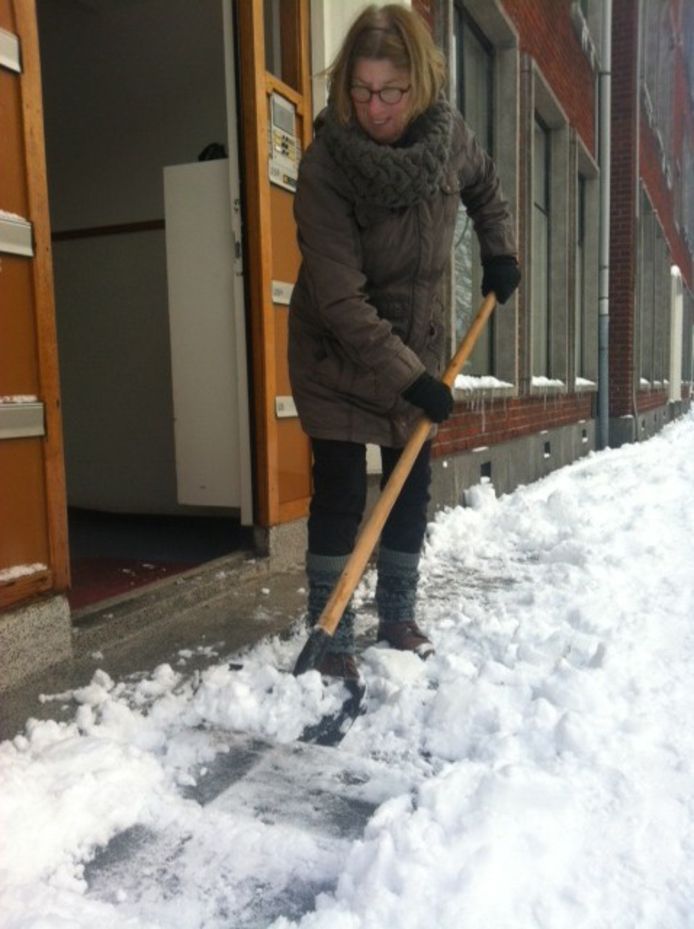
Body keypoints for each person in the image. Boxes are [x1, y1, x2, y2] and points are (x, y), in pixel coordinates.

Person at [288, 4, 519, 681]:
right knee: (337, 490)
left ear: (419, 85)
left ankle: (396, 612)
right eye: (360, 90)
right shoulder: (326, 166)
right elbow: (340, 299)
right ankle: (328, 630)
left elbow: (486, 187)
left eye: (391, 92)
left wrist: (500, 249)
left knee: (408, 483)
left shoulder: (447, 139)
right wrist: (411, 379)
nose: (375, 107)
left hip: (415, 342)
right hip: (337, 347)